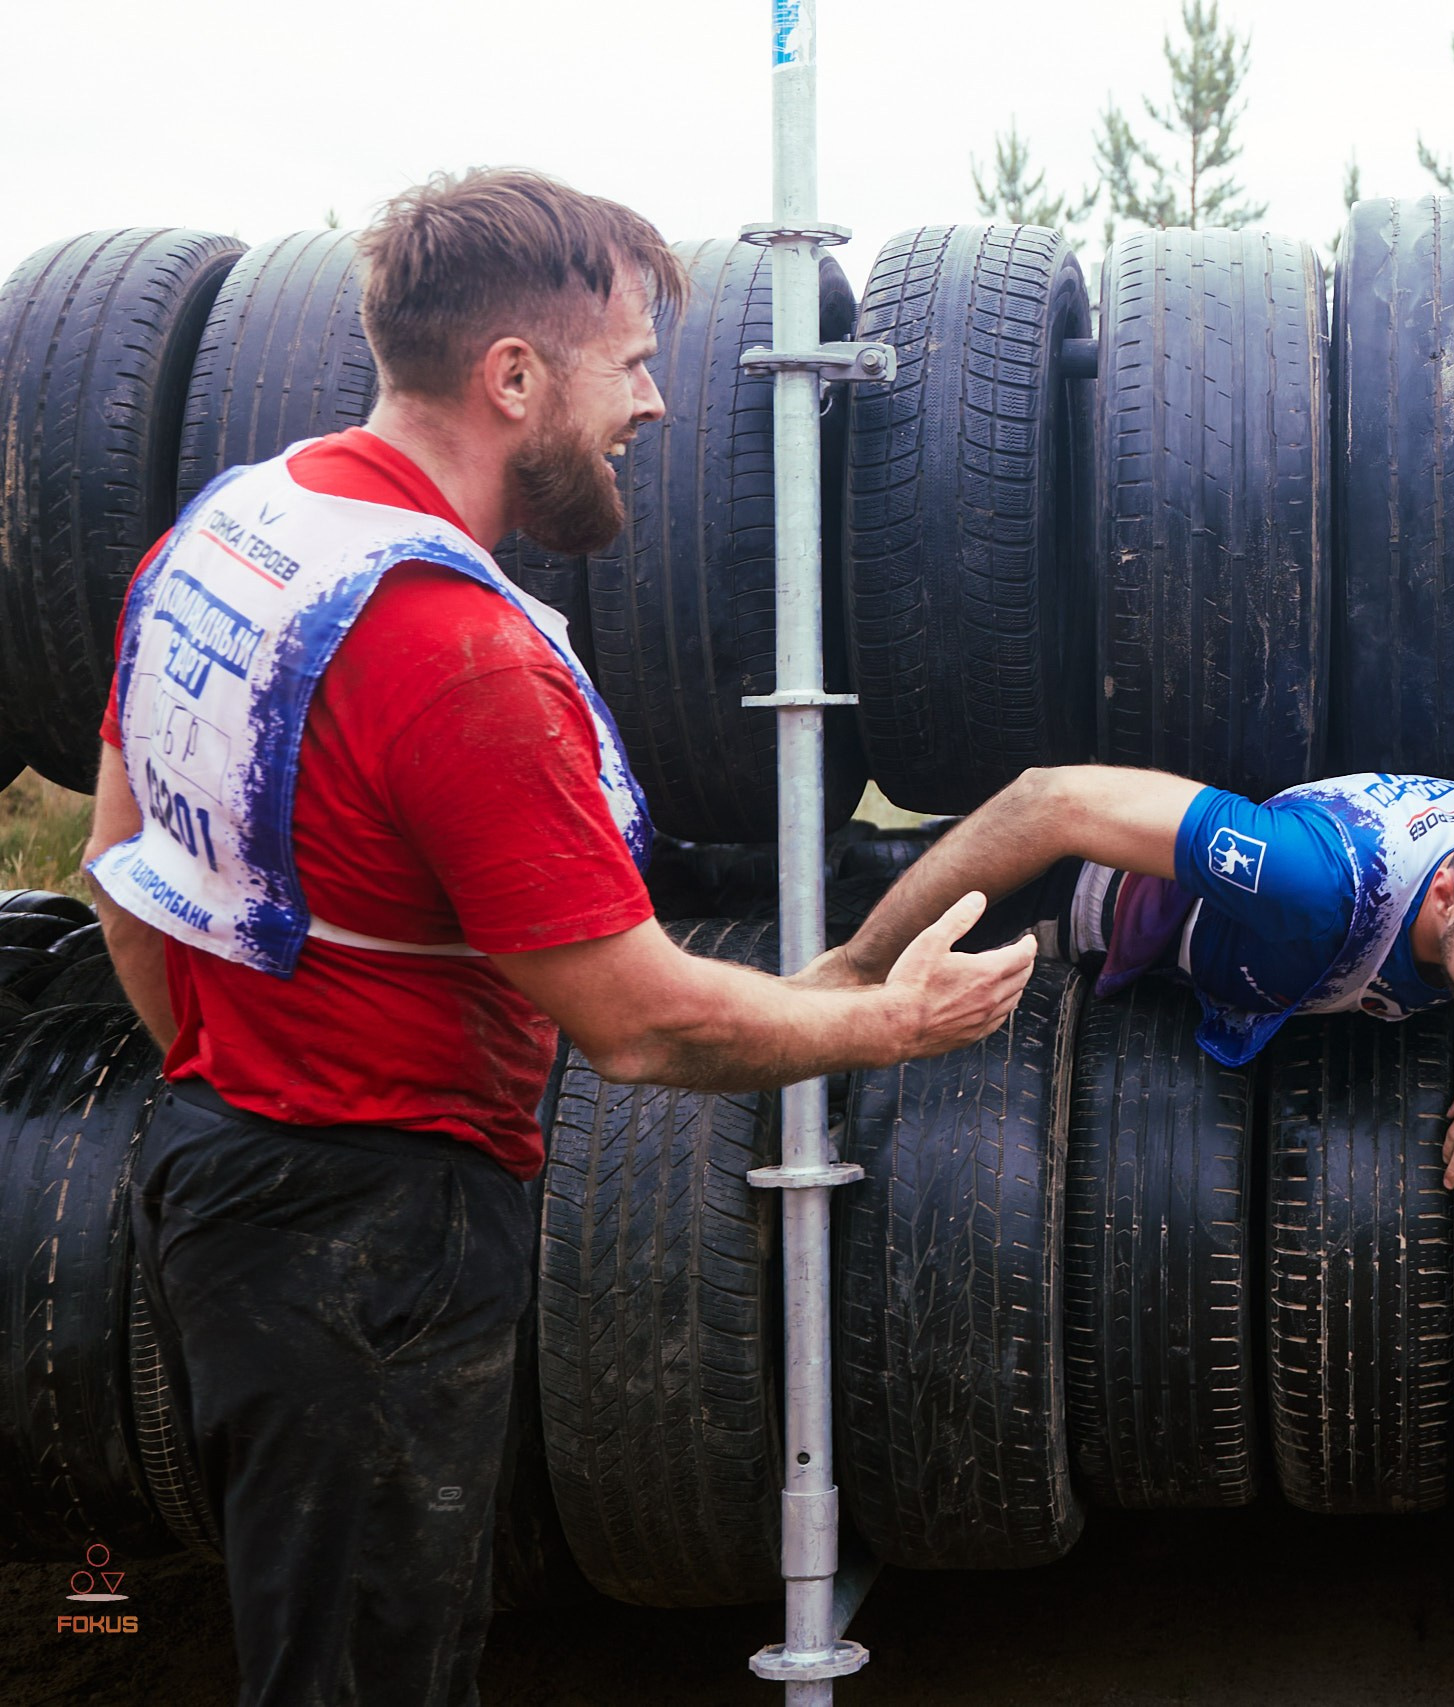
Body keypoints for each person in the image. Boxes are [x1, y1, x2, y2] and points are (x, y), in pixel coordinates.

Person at [81, 168, 1032, 1707]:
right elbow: (641, 1023)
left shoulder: (235, 531)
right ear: (512, 376)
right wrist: (894, 1021)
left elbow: (123, 858)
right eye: (634, 363)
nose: (655, 405)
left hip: (218, 1170)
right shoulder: (459, 659)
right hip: (373, 1232)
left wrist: (221, 1072)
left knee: (315, 1637)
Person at [827, 766, 1454, 1198]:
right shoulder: (1322, 883)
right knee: (840, 928)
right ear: (1444, 896)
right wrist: (863, 968)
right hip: (1060, 907)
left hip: (1251, 950)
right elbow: (1052, 801)